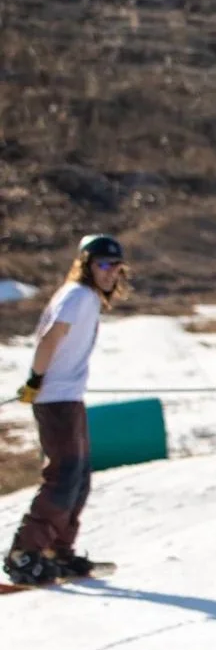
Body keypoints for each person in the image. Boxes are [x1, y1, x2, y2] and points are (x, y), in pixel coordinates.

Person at [8, 234, 126, 587]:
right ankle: (25, 553)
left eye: (116, 266)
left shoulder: (86, 297)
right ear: (87, 265)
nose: (110, 272)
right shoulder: (77, 296)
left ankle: (57, 551)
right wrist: (35, 380)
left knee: (79, 477)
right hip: (56, 397)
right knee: (64, 476)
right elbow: (50, 338)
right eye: (103, 265)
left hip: (68, 396)